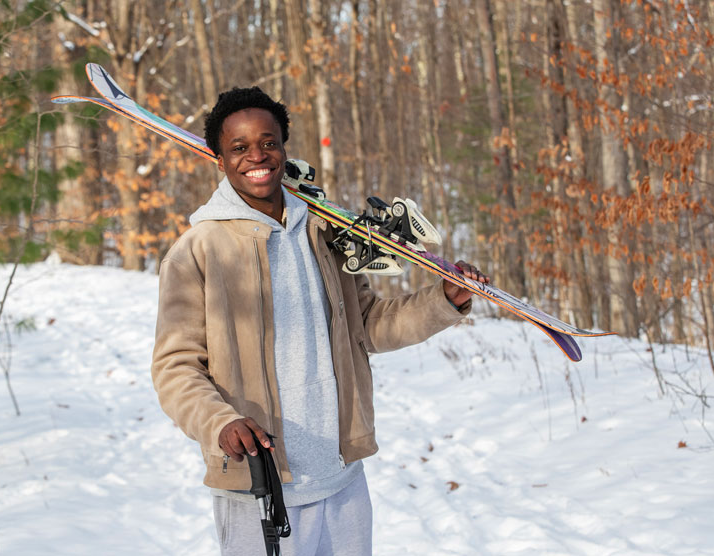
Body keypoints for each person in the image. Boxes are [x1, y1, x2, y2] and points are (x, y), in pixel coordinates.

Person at [150, 86, 489, 556]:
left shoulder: (323, 232)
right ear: (221, 159)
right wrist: (220, 423)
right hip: (259, 486)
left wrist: (443, 301)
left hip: (341, 476)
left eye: (268, 142)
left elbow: (367, 325)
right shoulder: (198, 251)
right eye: (240, 148)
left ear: (284, 147)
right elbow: (175, 369)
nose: (257, 157)